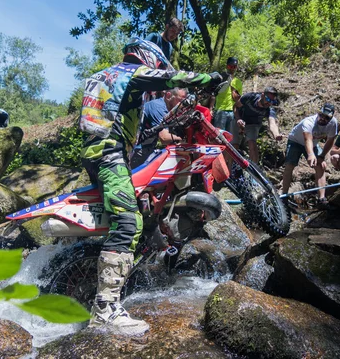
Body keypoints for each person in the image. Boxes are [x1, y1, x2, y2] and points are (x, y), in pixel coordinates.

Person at [79, 37, 221, 335]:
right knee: (127, 221)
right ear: (147, 57)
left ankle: (142, 270)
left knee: (142, 209)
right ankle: (105, 309)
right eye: (156, 65)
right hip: (110, 155)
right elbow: (172, 78)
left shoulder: (102, 76)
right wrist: (210, 78)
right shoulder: (131, 72)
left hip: (99, 152)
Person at [282, 103, 338, 205]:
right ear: (318, 113)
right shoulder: (309, 122)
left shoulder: (333, 123)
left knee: (321, 165)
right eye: (321, 115)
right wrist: (311, 154)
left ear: (331, 118)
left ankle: (322, 199)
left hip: (313, 144)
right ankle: (284, 195)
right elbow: (307, 139)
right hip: (296, 141)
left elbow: (330, 140)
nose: (323, 119)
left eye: (327, 118)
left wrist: (322, 156)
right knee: (290, 165)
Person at [131, 87, 188, 168]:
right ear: (168, 96)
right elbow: (164, 138)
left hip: (148, 145)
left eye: (184, 100)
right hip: (138, 148)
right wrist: (183, 139)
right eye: (180, 100)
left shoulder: (168, 107)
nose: (182, 104)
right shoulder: (159, 108)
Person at [232, 87, 283, 164]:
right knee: (234, 145)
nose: (269, 103)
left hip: (253, 124)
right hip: (240, 119)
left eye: (272, 101)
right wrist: (238, 119)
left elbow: (272, 123)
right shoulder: (250, 97)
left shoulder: (270, 109)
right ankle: (229, 167)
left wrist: (276, 135)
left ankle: (254, 170)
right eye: (268, 100)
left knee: (252, 144)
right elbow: (235, 106)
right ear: (262, 95)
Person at [209, 57, 243, 131]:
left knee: (229, 137)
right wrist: (211, 109)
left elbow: (238, 100)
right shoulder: (221, 78)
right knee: (219, 135)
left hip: (232, 112)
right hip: (220, 110)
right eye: (230, 66)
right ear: (227, 66)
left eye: (234, 67)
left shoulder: (238, 82)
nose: (232, 68)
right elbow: (213, 94)